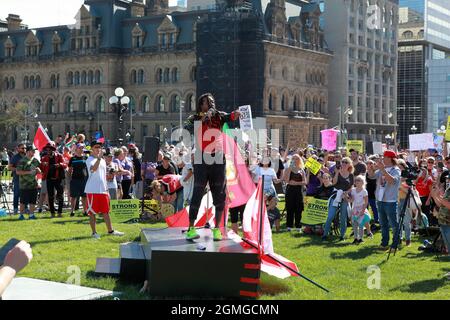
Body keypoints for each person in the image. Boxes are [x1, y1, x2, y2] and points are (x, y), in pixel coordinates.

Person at [184, 93, 240, 241]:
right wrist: (203, 119)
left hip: (218, 159)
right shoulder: (195, 117)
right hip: (201, 158)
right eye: (203, 103)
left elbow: (231, 117)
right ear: (199, 105)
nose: (206, 105)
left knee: (219, 194)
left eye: (209, 103)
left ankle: (217, 229)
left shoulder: (219, 116)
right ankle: (191, 228)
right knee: (197, 192)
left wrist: (237, 113)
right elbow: (186, 128)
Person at [84, 141, 124, 239]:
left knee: (106, 211)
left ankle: (111, 231)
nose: (98, 149)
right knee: (92, 212)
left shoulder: (102, 160)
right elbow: (93, 169)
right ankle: (94, 233)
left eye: (99, 147)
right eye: (96, 147)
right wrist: (98, 158)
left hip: (103, 190)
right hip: (93, 190)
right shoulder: (89, 159)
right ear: (91, 149)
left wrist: (106, 190)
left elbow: (103, 176)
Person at [368, 150, 402, 250]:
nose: (382, 159)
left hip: (390, 201)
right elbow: (371, 176)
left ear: (390, 158)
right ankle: (384, 243)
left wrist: (383, 170)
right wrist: (370, 168)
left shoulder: (396, 170)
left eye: (384, 157)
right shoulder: (382, 168)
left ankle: (396, 243)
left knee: (393, 224)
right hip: (380, 199)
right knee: (383, 224)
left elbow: (392, 181)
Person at [322, 157, 354, 241]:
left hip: (344, 196)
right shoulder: (337, 172)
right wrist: (337, 173)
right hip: (336, 195)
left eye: (346, 162)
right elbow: (334, 182)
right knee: (330, 216)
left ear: (349, 164)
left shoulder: (351, 175)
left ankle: (342, 236)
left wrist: (346, 193)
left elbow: (351, 186)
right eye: (342, 162)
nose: (343, 163)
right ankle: (325, 234)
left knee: (343, 217)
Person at [40, 142, 67, 218]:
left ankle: (59, 212)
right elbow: (41, 168)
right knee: (51, 196)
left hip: (58, 179)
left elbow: (65, 165)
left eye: (50, 149)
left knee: (60, 195)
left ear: (53, 149)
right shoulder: (44, 158)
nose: (48, 151)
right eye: (47, 149)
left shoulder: (59, 156)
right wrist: (42, 164)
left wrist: (59, 165)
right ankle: (52, 212)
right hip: (49, 179)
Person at [15, 146, 41, 220]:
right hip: (24, 185)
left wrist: (39, 170)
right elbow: (17, 172)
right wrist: (29, 172)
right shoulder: (22, 161)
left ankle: (31, 215)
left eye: (34, 151)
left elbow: (39, 170)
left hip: (34, 184)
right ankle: (21, 215)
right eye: (32, 151)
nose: (34, 152)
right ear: (28, 152)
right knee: (23, 201)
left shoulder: (35, 160)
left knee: (33, 201)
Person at [283, 154, 306, 231]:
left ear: (299, 160)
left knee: (298, 208)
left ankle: (298, 226)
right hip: (290, 190)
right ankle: (289, 226)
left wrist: (296, 183)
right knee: (290, 208)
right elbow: (286, 181)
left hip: (299, 190)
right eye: (293, 158)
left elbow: (305, 182)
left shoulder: (301, 169)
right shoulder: (288, 169)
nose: (295, 160)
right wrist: (290, 169)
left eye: (297, 159)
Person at [347, 175, 370, 244]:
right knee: (354, 225)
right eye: (356, 180)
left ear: (363, 182)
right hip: (355, 209)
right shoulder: (353, 190)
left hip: (361, 209)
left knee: (361, 225)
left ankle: (360, 238)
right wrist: (346, 197)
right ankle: (355, 238)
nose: (357, 182)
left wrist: (363, 210)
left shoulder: (364, 191)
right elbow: (352, 200)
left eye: (359, 180)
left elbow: (366, 202)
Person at [68, 143, 88, 217]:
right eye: (80, 148)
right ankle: (72, 211)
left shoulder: (86, 158)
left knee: (84, 196)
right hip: (75, 180)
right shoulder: (72, 158)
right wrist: (70, 179)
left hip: (84, 180)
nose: (81, 149)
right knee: (73, 196)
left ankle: (85, 211)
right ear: (76, 149)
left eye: (82, 148)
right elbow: (70, 170)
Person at [8, 144, 26, 215]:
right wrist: (17, 169)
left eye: (25, 148)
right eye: (22, 148)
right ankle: (15, 209)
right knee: (16, 194)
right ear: (18, 149)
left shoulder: (27, 156)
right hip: (17, 179)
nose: (24, 149)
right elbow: (9, 167)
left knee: (25, 194)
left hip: (26, 179)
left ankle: (25, 208)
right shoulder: (15, 157)